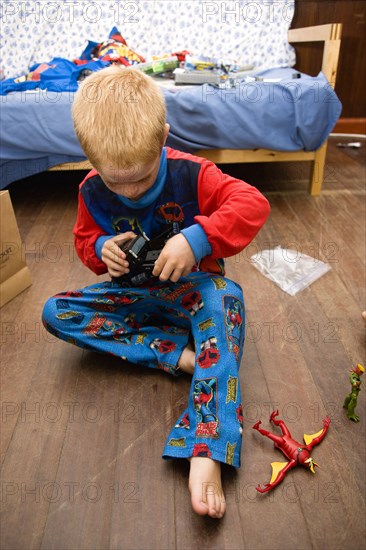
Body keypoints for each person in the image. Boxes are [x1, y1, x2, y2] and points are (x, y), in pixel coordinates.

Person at [42, 65, 270, 518]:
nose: (129, 192)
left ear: (164, 136)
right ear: (88, 157)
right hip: (136, 297)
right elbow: (84, 240)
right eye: (114, 181)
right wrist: (102, 248)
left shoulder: (194, 172)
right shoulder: (90, 188)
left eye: (142, 179)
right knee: (55, 311)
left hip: (195, 292)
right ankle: (178, 356)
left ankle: (206, 447)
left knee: (228, 297)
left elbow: (252, 204)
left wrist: (197, 239)